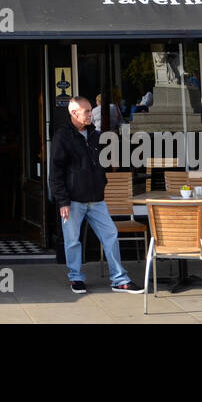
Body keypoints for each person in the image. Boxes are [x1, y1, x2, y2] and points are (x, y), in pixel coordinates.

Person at [49, 97, 141, 294]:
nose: (91, 114)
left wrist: (102, 181)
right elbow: (55, 172)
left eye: (91, 110)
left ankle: (119, 279)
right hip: (72, 201)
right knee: (72, 241)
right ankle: (76, 278)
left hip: (96, 200)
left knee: (111, 235)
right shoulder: (62, 137)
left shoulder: (96, 135)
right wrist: (62, 201)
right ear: (74, 113)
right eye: (87, 111)